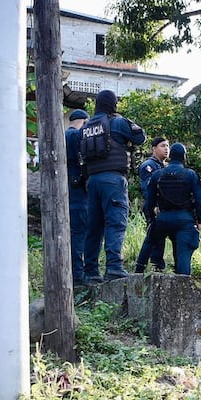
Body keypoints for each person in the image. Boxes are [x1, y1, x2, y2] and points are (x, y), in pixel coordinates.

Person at [81, 89, 146, 281]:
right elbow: (140, 137)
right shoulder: (117, 122)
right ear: (113, 104)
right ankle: (114, 268)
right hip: (113, 180)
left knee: (94, 227)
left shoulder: (86, 127)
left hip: (92, 181)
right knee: (115, 222)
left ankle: (91, 273)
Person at [143, 142, 201, 276]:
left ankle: (138, 271)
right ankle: (183, 288)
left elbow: (149, 202)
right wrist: (200, 220)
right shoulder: (191, 175)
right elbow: (200, 200)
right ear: (184, 156)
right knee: (183, 254)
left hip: (163, 218)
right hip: (184, 219)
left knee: (149, 242)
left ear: (171, 156)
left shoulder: (157, 174)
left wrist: (151, 220)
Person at [133, 136, 171, 273]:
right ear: (154, 148)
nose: (166, 149)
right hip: (153, 207)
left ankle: (157, 265)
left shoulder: (164, 167)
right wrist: (154, 206)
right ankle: (142, 267)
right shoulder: (149, 165)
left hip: (164, 208)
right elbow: (148, 188)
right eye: (163, 146)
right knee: (153, 237)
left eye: (167, 146)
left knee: (160, 237)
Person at [64, 109, 90, 286]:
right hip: (78, 192)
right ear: (84, 121)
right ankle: (79, 277)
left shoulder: (63, 135)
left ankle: (73, 274)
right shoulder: (75, 136)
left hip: (66, 190)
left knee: (72, 234)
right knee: (80, 234)